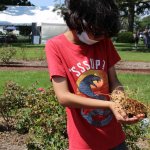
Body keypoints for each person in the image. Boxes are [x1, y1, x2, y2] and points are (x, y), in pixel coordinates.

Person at [45, 0, 145, 149]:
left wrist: (120, 102)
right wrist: (110, 104)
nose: (102, 38)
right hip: (85, 142)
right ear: (78, 20)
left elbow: (114, 81)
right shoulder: (55, 46)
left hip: (115, 138)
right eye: (98, 33)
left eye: (106, 34)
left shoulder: (104, 41)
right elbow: (63, 97)